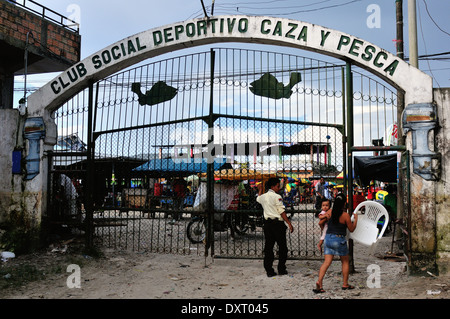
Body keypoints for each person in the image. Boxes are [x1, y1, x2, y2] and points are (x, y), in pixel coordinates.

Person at [314, 192, 358, 293]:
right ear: (343, 204)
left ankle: (319, 283)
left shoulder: (329, 212)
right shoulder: (345, 215)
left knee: (326, 263)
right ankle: (345, 284)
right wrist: (356, 220)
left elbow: (320, 222)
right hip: (339, 240)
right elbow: (351, 229)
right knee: (345, 261)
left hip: (328, 238)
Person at [257, 178, 294, 277]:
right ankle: (281, 268)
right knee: (282, 247)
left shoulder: (264, 197)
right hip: (278, 224)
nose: (279, 188)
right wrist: (289, 223)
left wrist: (260, 189)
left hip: (267, 224)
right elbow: (281, 211)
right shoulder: (277, 197)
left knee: (269, 247)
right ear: (273, 186)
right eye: (278, 186)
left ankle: (269, 270)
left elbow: (258, 198)